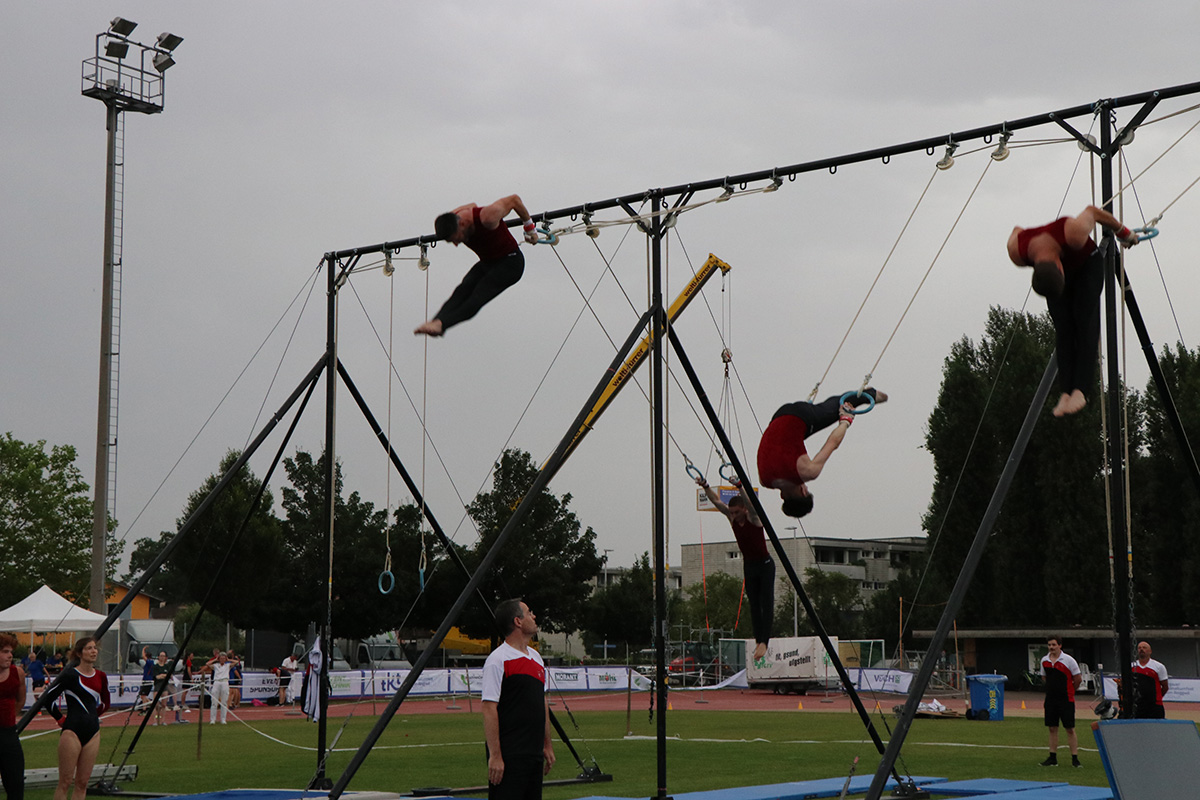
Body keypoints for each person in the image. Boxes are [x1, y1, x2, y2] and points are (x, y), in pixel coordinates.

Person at [1006, 205, 1140, 417]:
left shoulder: (1073, 233)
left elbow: (1093, 211)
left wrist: (1124, 232)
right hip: (1053, 276)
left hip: (1087, 265)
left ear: (1061, 268)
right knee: (1063, 327)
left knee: (1084, 320)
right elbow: (1016, 229)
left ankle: (1080, 391)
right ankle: (1065, 392)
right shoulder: (1017, 251)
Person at [414, 194, 539, 337]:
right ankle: (436, 321)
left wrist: (530, 228)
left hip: (511, 263)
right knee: (462, 289)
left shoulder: (488, 217)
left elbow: (514, 200)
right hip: (488, 262)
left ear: (462, 224)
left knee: (478, 295)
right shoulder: (455, 216)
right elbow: (472, 205)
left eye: (456, 239)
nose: (456, 244)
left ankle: (442, 325)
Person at [757, 389, 886, 518]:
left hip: (801, 415)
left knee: (838, 407)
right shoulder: (764, 480)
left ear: (803, 492)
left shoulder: (807, 472)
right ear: (782, 496)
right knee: (814, 420)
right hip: (778, 416)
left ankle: (871, 394)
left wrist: (846, 420)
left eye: (806, 489)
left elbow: (832, 443)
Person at [695, 475, 774, 663]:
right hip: (750, 565)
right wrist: (705, 485)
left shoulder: (753, 518)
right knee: (754, 604)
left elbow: (751, 504)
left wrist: (739, 486)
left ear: (744, 510)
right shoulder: (732, 519)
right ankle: (758, 640)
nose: (733, 515)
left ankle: (764, 641)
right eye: (731, 512)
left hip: (765, 565)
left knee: (766, 602)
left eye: (737, 512)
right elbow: (716, 501)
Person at [482, 599, 555, 800]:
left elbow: (541, 703)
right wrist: (495, 755)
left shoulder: (536, 658)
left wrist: (547, 744)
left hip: (534, 753)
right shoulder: (498, 660)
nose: (534, 616)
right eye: (529, 612)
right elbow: (489, 708)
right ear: (518, 621)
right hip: (510, 754)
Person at [42, 637, 110, 800]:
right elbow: (48, 699)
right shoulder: (70, 675)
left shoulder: (101, 676)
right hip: (72, 731)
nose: (93, 651)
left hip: (93, 732)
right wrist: (60, 719)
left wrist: (92, 717)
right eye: (89, 648)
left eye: (95, 648)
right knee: (65, 782)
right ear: (79, 653)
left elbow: (106, 703)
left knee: (82, 783)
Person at [1039, 635, 1081, 768]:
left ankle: (1075, 758)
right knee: (1052, 728)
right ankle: (1052, 757)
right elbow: (1044, 677)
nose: (1051, 647)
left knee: (1069, 728)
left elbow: (1078, 678)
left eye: (1054, 645)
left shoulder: (1069, 660)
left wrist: (1070, 690)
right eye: (1049, 645)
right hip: (1051, 699)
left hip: (1066, 699)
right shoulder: (1044, 660)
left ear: (1060, 645)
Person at [0, 633, 27, 800]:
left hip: (9, 734)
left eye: (11, 652)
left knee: (15, 783)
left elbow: (20, 700)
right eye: (5, 652)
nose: (10, 656)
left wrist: (9, 717)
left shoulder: (18, 673)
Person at [1130, 640, 1169, 719]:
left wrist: (1157, 698)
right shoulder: (1132, 666)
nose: (1141, 649)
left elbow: (1165, 686)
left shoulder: (1158, 666)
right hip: (1138, 706)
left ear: (1150, 651)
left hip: (1154, 706)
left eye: (1144, 648)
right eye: (1139, 648)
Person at [203, 651, 233, 725]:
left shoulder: (228, 665)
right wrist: (215, 659)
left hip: (224, 682)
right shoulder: (215, 665)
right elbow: (207, 663)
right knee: (214, 701)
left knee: (224, 702)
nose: (222, 660)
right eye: (221, 658)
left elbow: (236, 662)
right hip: (217, 682)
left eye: (224, 658)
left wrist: (228, 659)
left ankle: (223, 719)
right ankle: (212, 719)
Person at [151, 651, 172, 726]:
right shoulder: (155, 667)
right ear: (158, 657)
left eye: (164, 656)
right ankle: (154, 721)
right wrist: (163, 675)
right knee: (155, 704)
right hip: (157, 685)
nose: (162, 657)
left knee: (164, 704)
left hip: (165, 686)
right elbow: (157, 677)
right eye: (161, 656)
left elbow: (169, 675)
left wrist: (163, 675)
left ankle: (163, 721)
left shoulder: (167, 666)